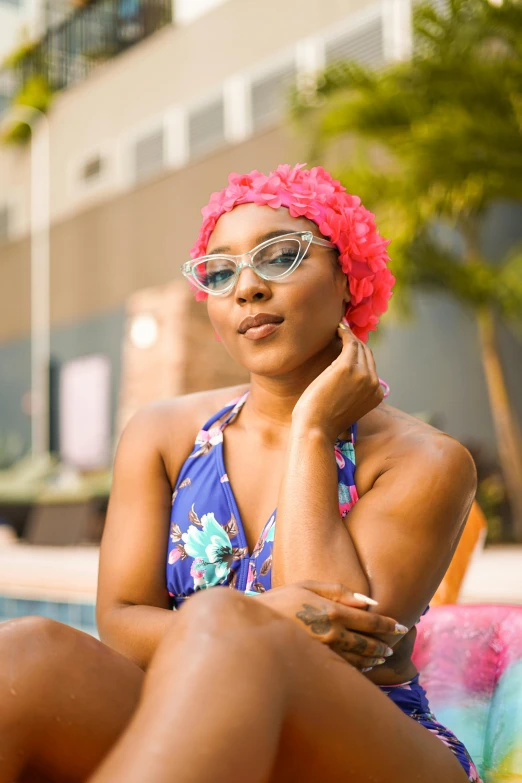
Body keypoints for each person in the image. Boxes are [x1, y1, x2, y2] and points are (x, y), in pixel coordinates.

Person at [0, 164, 481, 783]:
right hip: (199, 721)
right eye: (220, 273)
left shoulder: (427, 461)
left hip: (365, 747)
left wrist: (314, 433)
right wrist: (269, 618)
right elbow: (120, 620)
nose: (246, 287)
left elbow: (338, 655)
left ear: (347, 277)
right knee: (29, 653)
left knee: (219, 615)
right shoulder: (163, 436)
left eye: (280, 257)